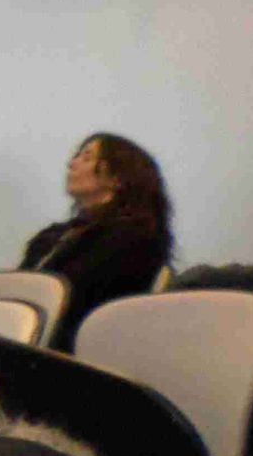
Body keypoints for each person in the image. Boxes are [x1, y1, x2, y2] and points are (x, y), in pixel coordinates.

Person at [20, 132, 174, 349]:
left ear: (117, 177)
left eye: (87, 157)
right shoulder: (52, 236)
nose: (72, 164)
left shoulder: (135, 239)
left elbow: (79, 302)